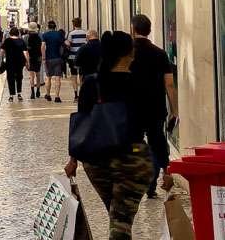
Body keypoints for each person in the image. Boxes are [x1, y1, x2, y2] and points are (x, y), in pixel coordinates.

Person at [64, 31, 169, 240]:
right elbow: (155, 128)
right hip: (131, 158)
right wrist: (166, 167)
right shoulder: (142, 84)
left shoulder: (92, 83)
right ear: (130, 53)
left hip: (96, 161)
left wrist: (73, 159)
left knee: (116, 214)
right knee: (121, 218)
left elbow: (81, 123)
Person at [130, 13, 179, 197]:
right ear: (149, 31)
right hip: (156, 108)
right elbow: (169, 84)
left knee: (135, 144)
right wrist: (175, 110)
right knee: (157, 143)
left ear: (133, 30)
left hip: (133, 110)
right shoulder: (160, 53)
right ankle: (155, 180)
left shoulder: (127, 53)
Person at [40, 19, 68, 103]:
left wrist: (43, 57)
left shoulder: (45, 35)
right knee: (57, 78)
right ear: (55, 27)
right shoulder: (59, 34)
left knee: (48, 77)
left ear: (48, 27)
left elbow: (42, 47)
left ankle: (48, 94)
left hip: (48, 58)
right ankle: (57, 96)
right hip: (58, 58)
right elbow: (66, 43)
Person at [1, 26, 29, 101]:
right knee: (19, 77)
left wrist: (2, 58)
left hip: (9, 62)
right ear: (18, 33)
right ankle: (19, 94)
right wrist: (27, 61)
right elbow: (25, 52)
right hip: (19, 62)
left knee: (10, 78)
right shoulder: (21, 41)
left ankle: (11, 96)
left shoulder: (7, 41)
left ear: (10, 33)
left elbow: (2, 50)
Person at [66, 17, 90, 97]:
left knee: (74, 75)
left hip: (73, 57)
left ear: (73, 24)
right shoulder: (85, 33)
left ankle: (76, 94)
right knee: (82, 75)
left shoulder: (71, 34)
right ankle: (82, 92)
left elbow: (69, 44)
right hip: (83, 57)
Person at [26, 23, 45, 100]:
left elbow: (26, 50)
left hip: (31, 57)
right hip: (38, 56)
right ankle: (38, 91)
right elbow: (42, 47)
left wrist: (27, 60)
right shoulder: (40, 36)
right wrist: (42, 56)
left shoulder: (27, 37)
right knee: (38, 74)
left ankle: (32, 92)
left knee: (31, 75)